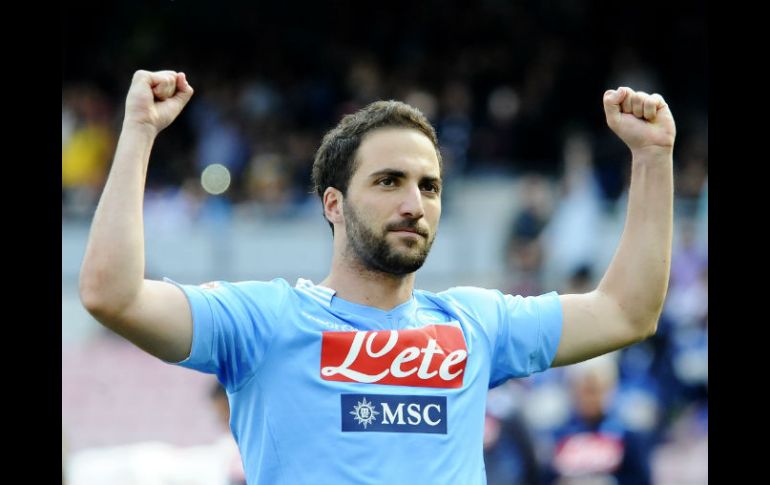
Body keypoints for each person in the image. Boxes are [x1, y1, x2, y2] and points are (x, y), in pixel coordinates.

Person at [80, 70, 675, 484]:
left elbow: (627, 311)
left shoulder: (476, 325)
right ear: (333, 204)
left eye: (429, 186)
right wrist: (139, 133)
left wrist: (652, 159)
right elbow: (112, 295)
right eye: (389, 181)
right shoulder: (262, 321)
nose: (415, 204)